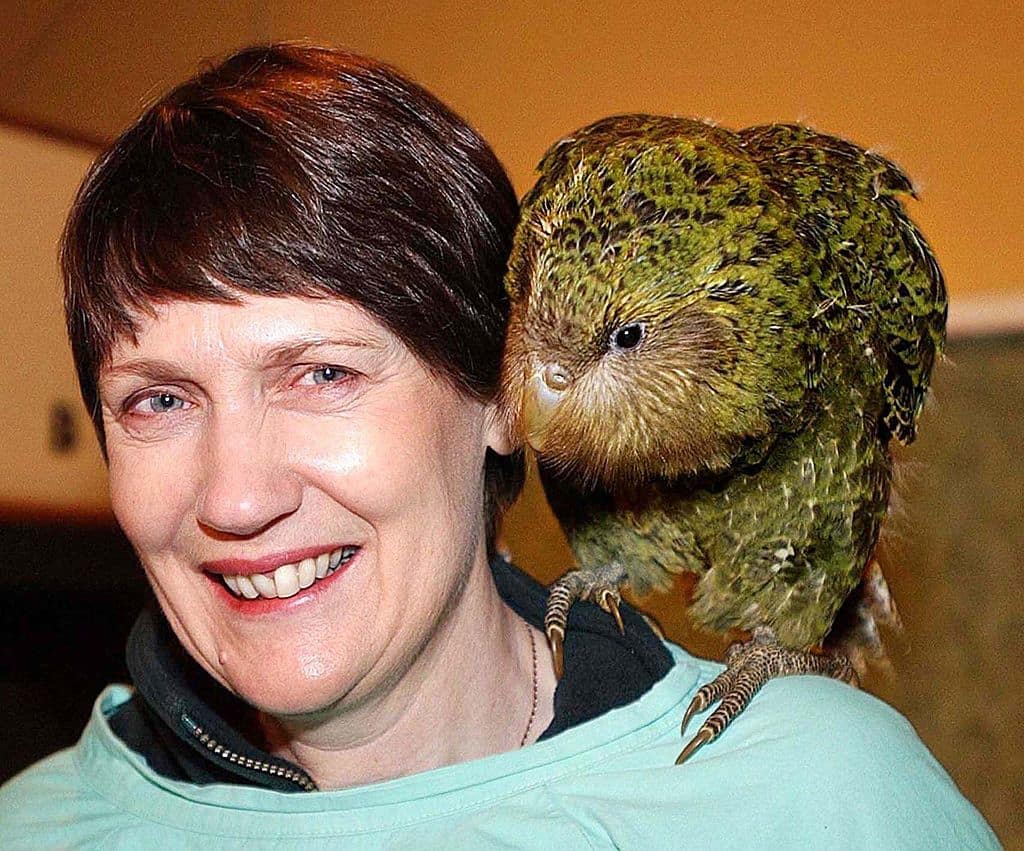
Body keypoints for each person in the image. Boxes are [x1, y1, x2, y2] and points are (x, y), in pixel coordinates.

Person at [0, 43, 999, 849]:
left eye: (324, 375)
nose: (235, 494)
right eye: (161, 399)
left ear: (499, 392)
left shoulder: (814, 800)